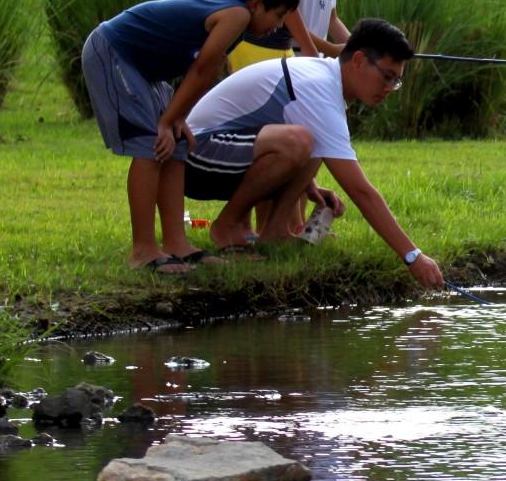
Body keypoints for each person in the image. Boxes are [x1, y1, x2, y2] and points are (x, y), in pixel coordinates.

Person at [184, 18, 447, 289]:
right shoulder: (320, 88)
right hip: (195, 157)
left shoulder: (325, 79)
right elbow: (360, 191)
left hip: (223, 151)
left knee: (312, 141)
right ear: (358, 60)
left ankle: (275, 232)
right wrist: (413, 256)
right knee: (299, 141)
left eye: (397, 81)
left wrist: (311, 187)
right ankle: (227, 226)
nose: (390, 88)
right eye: (387, 76)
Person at [81, 0, 300, 275]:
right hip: (114, 51)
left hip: (144, 69)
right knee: (151, 145)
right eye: (278, 16)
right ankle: (142, 250)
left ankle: (176, 244)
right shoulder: (236, 14)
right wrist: (168, 120)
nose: (279, 26)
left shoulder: (233, 8)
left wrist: (176, 118)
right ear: (256, 4)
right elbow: (202, 69)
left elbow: (200, 69)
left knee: (178, 143)